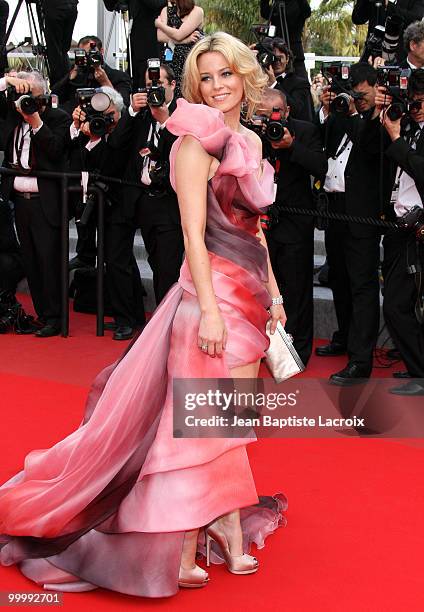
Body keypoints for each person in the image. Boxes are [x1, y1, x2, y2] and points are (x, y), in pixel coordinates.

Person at [0, 32, 287, 596]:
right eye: (204, 77)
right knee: (203, 427)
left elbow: (258, 231)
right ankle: (185, 538)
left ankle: (220, 528)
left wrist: (274, 295)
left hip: (251, 297)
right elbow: (191, 235)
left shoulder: (249, 140)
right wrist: (207, 309)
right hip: (211, 299)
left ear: (245, 76)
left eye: (225, 74)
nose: (217, 86)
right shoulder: (191, 145)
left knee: (232, 424)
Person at [316, 63, 383, 385]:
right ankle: (343, 336)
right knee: (339, 280)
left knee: (362, 287)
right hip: (336, 209)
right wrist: (331, 109)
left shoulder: (381, 121)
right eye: (353, 91)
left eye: (363, 92)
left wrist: (358, 113)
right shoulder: (345, 115)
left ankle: (361, 359)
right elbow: (327, 143)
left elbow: (369, 146)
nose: (358, 97)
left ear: (375, 88)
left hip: (363, 214)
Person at [69, 87, 146, 340]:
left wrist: (104, 132)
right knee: (120, 262)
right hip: (103, 204)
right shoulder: (96, 133)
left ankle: (126, 319)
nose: (108, 119)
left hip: (122, 205)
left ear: (120, 111)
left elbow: (113, 155)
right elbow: (84, 161)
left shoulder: (128, 128)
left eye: (112, 113)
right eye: (103, 114)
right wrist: (83, 130)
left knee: (116, 262)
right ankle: (132, 316)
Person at [258, 87, 327, 365]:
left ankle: (297, 352)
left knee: (296, 289)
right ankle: (267, 346)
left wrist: (292, 146)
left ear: (286, 112)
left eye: (273, 114)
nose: (269, 121)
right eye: (262, 115)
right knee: (263, 288)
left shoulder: (305, 130)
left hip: (295, 221)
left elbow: (321, 166)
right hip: (261, 221)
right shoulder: (253, 131)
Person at [365, 69, 424, 395]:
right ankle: (418, 367)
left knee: (398, 304)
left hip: (418, 230)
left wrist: (398, 139)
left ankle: (420, 370)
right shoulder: (409, 127)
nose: (415, 109)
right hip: (401, 228)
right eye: (413, 103)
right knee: (400, 302)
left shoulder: (410, 134)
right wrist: (385, 118)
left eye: (419, 104)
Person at [108, 62, 184, 310]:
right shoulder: (138, 115)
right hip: (141, 200)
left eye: (160, 84)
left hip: (168, 203)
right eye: (150, 85)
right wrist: (130, 109)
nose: (154, 90)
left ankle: (167, 326)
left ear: (173, 85)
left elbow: (179, 153)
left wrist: (165, 121)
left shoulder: (183, 115)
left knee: (167, 269)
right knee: (154, 262)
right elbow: (116, 143)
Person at [0, 70, 71, 338]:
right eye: (23, 94)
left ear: (44, 96)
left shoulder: (58, 118)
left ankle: (55, 317)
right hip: (19, 202)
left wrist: (36, 121)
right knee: (30, 260)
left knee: (49, 260)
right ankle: (43, 314)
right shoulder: (12, 114)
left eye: (32, 95)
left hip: (46, 203)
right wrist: (7, 83)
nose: (26, 100)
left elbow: (55, 150)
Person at [51, 35, 132, 117]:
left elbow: (124, 108)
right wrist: (71, 75)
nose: (88, 58)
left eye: (91, 53)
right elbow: (54, 98)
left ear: (101, 52)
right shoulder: (76, 76)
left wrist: (105, 82)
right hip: (75, 120)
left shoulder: (119, 76)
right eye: (83, 54)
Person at [155, 0, 204, 98]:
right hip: (171, 59)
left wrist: (160, 25)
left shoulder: (197, 11)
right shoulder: (166, 11)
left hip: (189, 59)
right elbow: (160, 37)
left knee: (189, 91)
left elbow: (179, 35)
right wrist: (185, 40)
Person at [352, 0, 424, 64]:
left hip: (399, 56)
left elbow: (415, 19)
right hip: (371, 55)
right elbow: (357, 19)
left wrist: (388, 5)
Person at [264, 37, 314, 122]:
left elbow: (296, 110)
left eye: (280, 58)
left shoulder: (300, 83)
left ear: (287, 59)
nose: (277, 62)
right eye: (274, 58)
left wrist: (274, 84)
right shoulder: (259, 82)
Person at [260, 0, 311, 79]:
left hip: (295, 52)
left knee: (300, 82)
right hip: (276, 51)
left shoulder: (298, 4)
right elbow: (264, 12)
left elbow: (307, 12)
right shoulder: (276, 4)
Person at [127, 0, 167, 88]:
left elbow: (156, 4)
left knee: (149, 79)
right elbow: (111, 5)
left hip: (151, 43)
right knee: (135, 80)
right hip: (135, 41)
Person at [40, 0, 79, 85]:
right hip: (71, 6)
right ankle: (66, 83)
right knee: (63, 49)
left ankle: (59, 86)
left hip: (54, 7)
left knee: (55, 51)